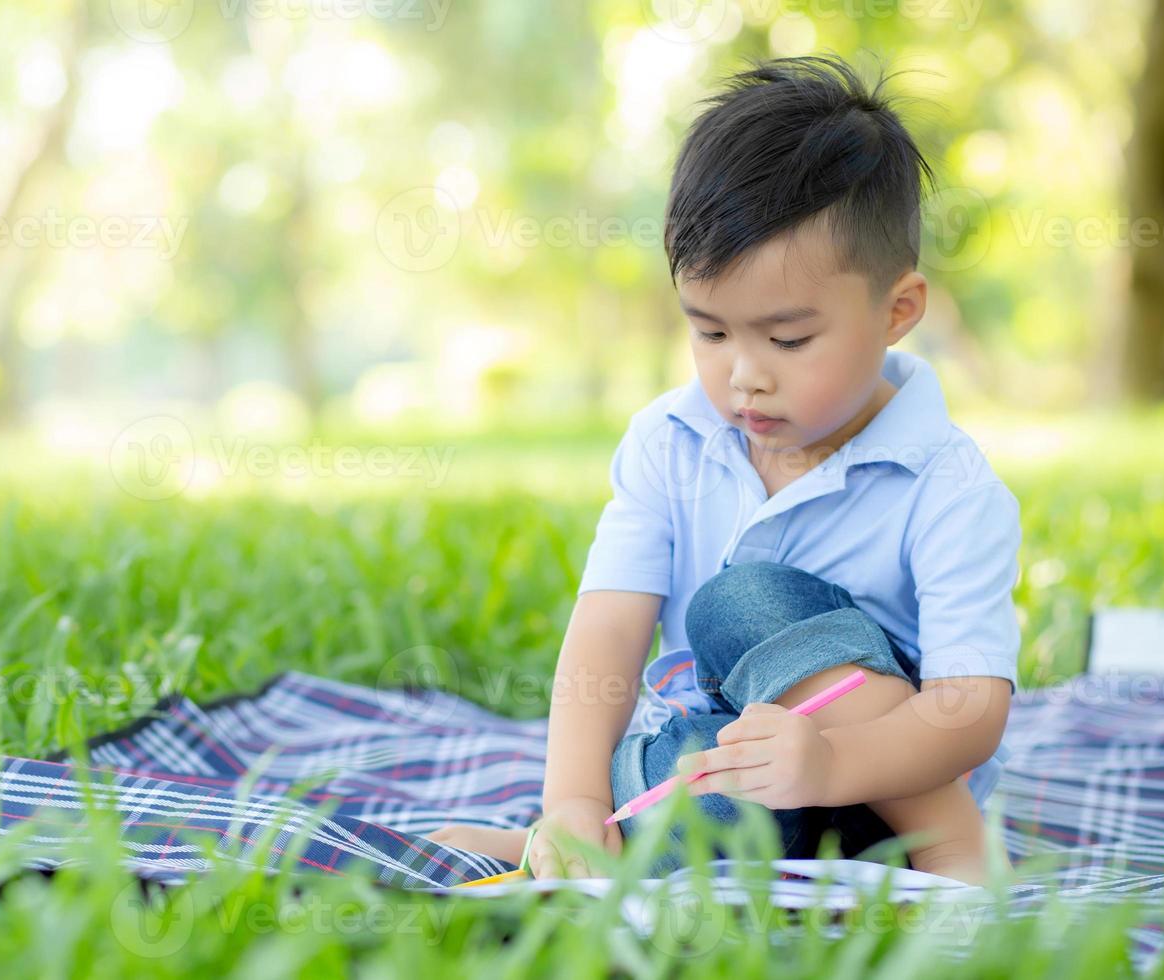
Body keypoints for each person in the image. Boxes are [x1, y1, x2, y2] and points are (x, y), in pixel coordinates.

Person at [427, 53, 1019, 885]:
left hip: (887, 789)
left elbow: (971, 709)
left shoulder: (948, 483)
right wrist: (570, 801)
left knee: (741, 601)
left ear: (898, 312)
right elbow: (609, 631)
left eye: (785, 339)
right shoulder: (671, 442)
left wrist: (829, 764)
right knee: (678, 802)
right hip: (735, 780)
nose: (745, 375)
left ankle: (954, 846)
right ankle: (580, 842)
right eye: (710, 332)